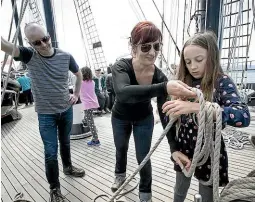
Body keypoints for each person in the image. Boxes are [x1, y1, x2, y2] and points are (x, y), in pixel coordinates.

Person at [111, 21, 196, 202]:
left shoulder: (158, 76)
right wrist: (165, 87)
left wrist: (173, 147)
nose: (152, 52)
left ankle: (145, 195)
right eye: (145, 47)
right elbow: (123, 93)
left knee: (144, 156)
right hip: (120, 117)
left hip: (144, 118)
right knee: (121, 148)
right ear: (133, 47)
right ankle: (120, 175)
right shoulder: (121, 67)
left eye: (156, 46)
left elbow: (164, 113)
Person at [1, 22, 85, 202]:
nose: (44, 44)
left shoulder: (65, 56)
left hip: (65, 109)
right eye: (37, 43)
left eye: (45, 39)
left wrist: (76, 94)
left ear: (48, 35)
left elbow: (78, 75)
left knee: (65, 143)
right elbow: (4, 45)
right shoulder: (29, 56)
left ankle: (68, 167)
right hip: (46, 114)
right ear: (30, 44)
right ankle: (54, 189)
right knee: (50, 151)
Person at [162, 32, 250, 202]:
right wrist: (174, 150)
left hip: (209, 151)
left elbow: (243, 116)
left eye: (199, 60)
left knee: (206, 195)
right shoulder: (182, 84)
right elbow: (168, 121)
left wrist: (196, 107)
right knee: (179, 191)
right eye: (188, 62)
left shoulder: (221, 82)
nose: (193, 66)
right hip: (183, 148)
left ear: (211, 56)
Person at [80, 66, 101, 146]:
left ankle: (96, 140)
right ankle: (86, 122)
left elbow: (77, 91)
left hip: (87, 104)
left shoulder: (81, 83)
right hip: (92, 103)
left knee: (91, 123)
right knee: (87, 119)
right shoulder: (92, 82)